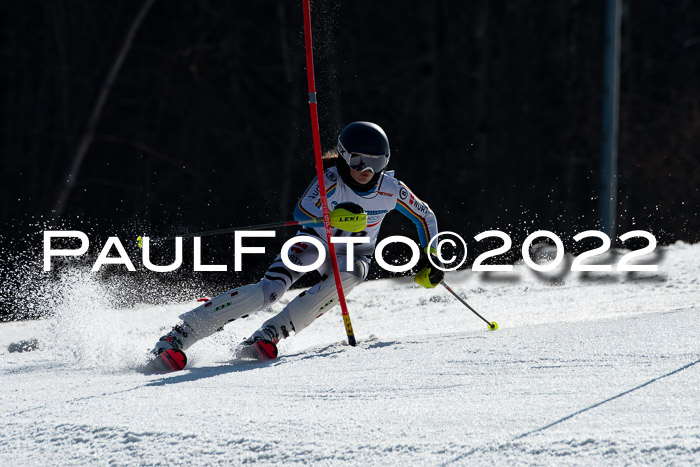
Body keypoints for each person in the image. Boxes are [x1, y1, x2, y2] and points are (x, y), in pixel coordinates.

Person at [150, 121, 444, 364]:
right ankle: (180, 334)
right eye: (358, 159)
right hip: (314, 241)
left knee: (354, 273)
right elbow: (302, 211)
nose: (366, 169)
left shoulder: (391, 189)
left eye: (376, 161)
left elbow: (425, 216)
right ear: (343, 155)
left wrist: (432, 258)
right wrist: (335, 217)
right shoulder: (330, 179)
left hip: (354, 252)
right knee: (269, 291)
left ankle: (271, 333)